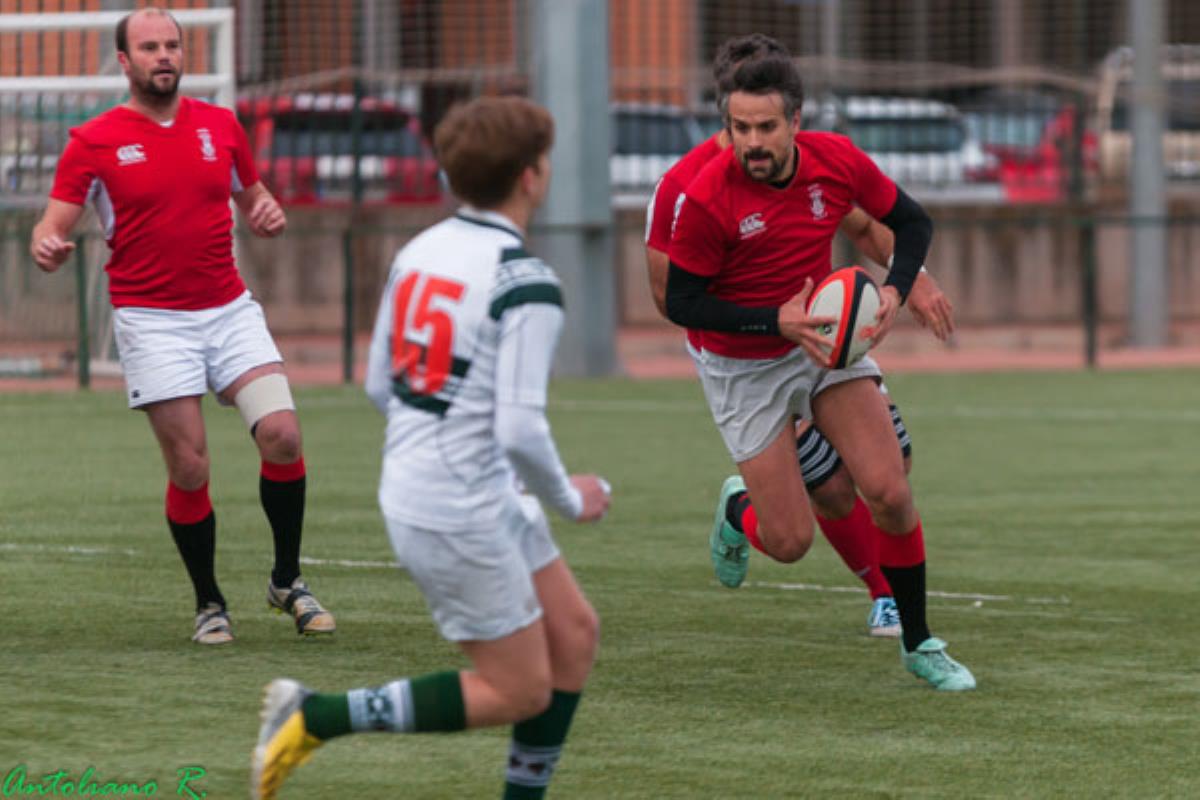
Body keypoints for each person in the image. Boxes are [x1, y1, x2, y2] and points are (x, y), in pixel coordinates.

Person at [251, 96, 611, 799]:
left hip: (439, 485)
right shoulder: (526, 280)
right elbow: (518, 427)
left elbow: (381, 384)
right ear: (534, 176)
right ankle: (317, 714)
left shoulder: (421, 248)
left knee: (573, 632)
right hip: (459, 503)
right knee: (519, 690)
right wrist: (569, 498)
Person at [665, 49, 975, 690]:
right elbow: (682, 303)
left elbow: (911, 222)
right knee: (788, 541)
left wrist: (895, 290)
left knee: (889, 488)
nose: (753, 142)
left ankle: (919, 643)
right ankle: (737, 513)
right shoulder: (704, 197)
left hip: (825, 345)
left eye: (766, 127)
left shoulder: (836, 160)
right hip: (742, 364)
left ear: (795, 122)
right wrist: (773, 321)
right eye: (741, 127)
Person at [29, 7, 334, 645]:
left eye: (172, 45)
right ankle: (209, 602)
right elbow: (52, 226)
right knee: (190, 466)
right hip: (151, 321)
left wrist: (266, 209)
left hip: (227, 308)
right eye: (149, 47)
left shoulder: (220, 125)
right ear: (124, 61)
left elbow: (251, 195)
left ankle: (287, 580)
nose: (164, 55)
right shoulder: (94, 140)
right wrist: (48, 245)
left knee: (282, 433)